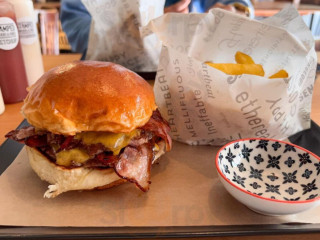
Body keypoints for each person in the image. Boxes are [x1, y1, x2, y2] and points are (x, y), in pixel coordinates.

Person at [60, 0, 254, 59]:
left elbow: (240, 6)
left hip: (195, 79)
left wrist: (235, 10)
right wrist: (139, 27)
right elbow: (76, 30)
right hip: (102, 75)